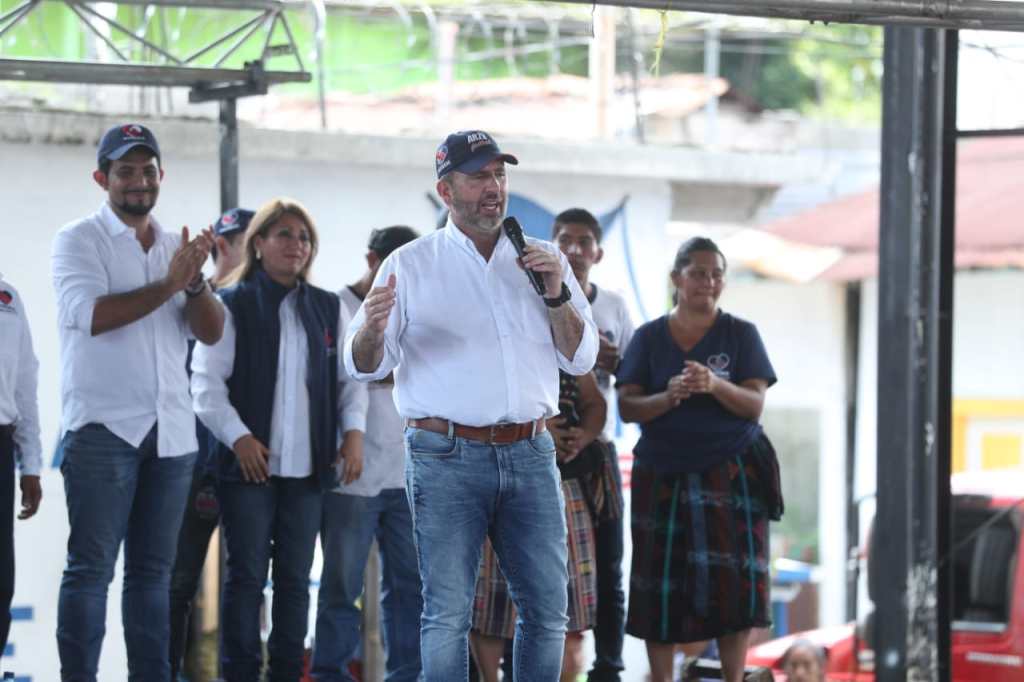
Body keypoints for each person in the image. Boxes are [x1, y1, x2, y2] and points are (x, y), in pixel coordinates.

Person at [344, 129, 599, 681]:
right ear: (446, 189)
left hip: (531, 451)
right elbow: (363, 364)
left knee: (547, 610)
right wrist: (371, 328)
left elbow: (581, 359)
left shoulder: (543, 259)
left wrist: (556, 294)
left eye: (500, 175)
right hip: (445, 454)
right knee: (447, 613)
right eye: (479, 176)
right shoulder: (409, 265)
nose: (494, 187)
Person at [51, 123, 224, 682]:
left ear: (161, 177)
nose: (138, 181)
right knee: (90, 571)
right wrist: (172, 285)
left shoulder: (177, 246)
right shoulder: (78, 240)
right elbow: (93, 316)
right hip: (104, 430)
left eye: (148, 170)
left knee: (154, 575)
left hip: (172, 433)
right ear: (102, 178)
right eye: (126, 170)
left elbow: (213, 332)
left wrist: (194, 285)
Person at [191, 197, 367, 682]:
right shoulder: (231, 303)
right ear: (260, 243)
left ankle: (287, 675)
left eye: (304, 237)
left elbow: (352, 382)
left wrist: (354, 435)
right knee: (246, 581)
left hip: (309, 472)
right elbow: (205, 388)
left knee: (294, 584)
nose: (297, 245)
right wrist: (240, 438)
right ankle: (239, 675)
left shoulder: (329, 308)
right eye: (285, 235)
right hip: (248, 469)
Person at [616, 237, 783, 682]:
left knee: (735, 585)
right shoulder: (650, 337)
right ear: (677, 279)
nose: (707, 282)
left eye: (716, 274)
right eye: (697, 273)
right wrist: (668, 396)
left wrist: (713, 384)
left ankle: (733, 677)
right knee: (660, 583)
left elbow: (753, 404)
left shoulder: (741, 334)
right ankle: (661, 678)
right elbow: (628, 407)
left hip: (732, 469)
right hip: (663, 471)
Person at [312, 225, 423, 682]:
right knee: (341, 587)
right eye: (391, 265)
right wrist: (381, 371)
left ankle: (408, 675)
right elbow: (342, 376)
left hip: (408, 473)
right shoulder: (336, 305)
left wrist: (376, 371)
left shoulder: (416, 306)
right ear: (372, 259)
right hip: (351, 473)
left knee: (409, 590)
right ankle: (329, 673)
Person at [470, 370, 607, 682]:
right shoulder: (488, 336)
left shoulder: (565, 338)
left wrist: (580, 437)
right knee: (492, 603)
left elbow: (595, 403)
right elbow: (469, 403)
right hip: (498, 473)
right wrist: (536, 433)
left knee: (565, 609)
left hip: (564, 481)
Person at [168, 207, 254, 680]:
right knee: (178, 581)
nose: (260, 249)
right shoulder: (195, 301)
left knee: (247, 582)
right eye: (249, 240)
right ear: (222, 245)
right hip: (192, 462)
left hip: (250, 466)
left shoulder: (265, 301)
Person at [551, 208, 634, 682]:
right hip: (538, 448)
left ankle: (609, 667)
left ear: (598, 252)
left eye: (585, 242)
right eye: (566, 240)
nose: (576, 250)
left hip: (594, 448)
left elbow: (635, 378)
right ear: (551, 246)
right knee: (523, 569)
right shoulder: (531, 299)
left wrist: (616, 359)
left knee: (608, 564)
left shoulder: (614, 307)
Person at [0, 273, 42, 664]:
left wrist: (30, 464)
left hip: (0, 443)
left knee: (1, 580)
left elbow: (25, 384)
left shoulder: (8, 296)